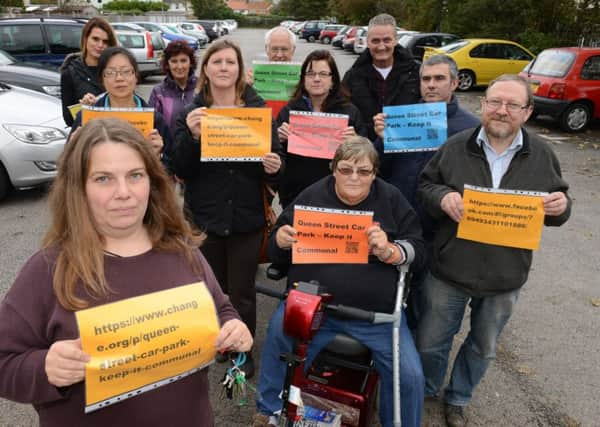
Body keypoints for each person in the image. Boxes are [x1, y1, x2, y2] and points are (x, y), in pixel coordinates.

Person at [0, 118, 252, 427]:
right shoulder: (49, 270)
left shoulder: (182, 250)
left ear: (153, 181)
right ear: (78, 188)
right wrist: (44, 368)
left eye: (135, 175)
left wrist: (233, 327)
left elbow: (221, 307)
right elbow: (5, 361)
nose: (124, 192)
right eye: (104, 178)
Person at [416, 75, 571, 427]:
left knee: (482, 348)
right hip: (450, 270)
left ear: (527, 112)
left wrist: (562, 207)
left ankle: (457, 399)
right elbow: (425, 185)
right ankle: (426, 389)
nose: (502, 111)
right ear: (483, 104)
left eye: (512, 104)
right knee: (430, 341)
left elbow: (559, 205)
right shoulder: (455, 146)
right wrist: (442, 197)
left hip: (504, 277)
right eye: (494, 101)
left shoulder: (543, 155)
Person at [253, 137, 425, 427]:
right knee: (278, 336)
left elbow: (419, 251)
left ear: (374, 173)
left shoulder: (392, 198)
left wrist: (390, 250)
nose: (354, 178)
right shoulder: (311, 195)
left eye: (364, 171)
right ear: (333, 169)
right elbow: (276, 249)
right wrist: (281, 241)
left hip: (376, 316)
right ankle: (268, 410)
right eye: (346, 169)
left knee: (409, 375)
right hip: (314, 305)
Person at [172, 39, 283, 379]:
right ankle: (220, 341)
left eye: (230, 62)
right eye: (216, 61)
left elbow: (275, 169)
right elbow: (178, 168)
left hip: (246, 219)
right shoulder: (190, 114)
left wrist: (273, 166)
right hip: (204, 220)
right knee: (212, 289)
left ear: (239, 70)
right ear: (205, 69)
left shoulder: (258, 111)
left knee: (243, 293)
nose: (223, 67)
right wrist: (191, 138)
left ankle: (242, 351)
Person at [373, 55, 479, 329]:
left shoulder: (470, 129)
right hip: (396, 224)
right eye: (426, 79)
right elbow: (378, 170)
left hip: (438, 234)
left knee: (427, 306)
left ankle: (416, 358)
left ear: (454, 83)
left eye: (439, 79)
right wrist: (382, 141)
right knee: (387, 296)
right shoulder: (402, 117)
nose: (431, 85)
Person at [276, 49, 368, 209]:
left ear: (333, 80)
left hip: (338, 196)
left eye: (323, 74)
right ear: (303, 79)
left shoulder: (350, 113)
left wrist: (356, 142)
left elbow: (366, 156)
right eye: (311, 74)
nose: (316, 79)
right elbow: (277, 156)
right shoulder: (289, 111)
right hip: (296, 196)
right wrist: (279, 138)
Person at [70, 47, 171, 168]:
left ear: (136, 76)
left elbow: (170, 167)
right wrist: (73, 151)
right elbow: (69, 167)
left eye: (126, 71)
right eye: (111, 73)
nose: (119, 78)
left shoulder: (155, 119)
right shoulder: (86, 118)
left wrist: (158, 156)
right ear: (102, 79)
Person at [342, 13, 420, 141]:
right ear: (367, 42)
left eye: (387, 40)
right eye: (375, 41)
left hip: (405, 150)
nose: (381, 46)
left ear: (395, 40)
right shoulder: (353, 76)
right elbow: (342, 111)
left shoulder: (416, 72)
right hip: (366, 152)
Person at [60, 17, 117, 127]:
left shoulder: (118, 69)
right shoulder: (70, 72)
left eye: (105, 41)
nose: (100, 45)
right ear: (85, 39)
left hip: (116, 133)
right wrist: (85, 109)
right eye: (95, 39)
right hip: (89, 137)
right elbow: (68, 119)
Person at [148, 40, 198, 140]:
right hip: (169, 152)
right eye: (174, 61)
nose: (179, 66)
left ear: (191, 63)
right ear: (167, 64)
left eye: (183, 61)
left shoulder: (203, 87)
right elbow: (152, 127)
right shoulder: (158, 92)